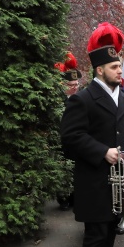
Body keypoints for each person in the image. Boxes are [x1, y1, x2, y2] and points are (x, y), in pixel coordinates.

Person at [60, 22, 124, 247]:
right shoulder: (82, 99)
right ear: (99, 70)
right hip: (95, 181)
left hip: (120, 180)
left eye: (120, 66)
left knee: (110, 233)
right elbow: (70, 138)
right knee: (95, 237)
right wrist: (101, 151)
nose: (121, 71)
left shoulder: (123, 97)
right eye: (115, 67)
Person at [55, 51, 83, 211]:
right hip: (63, 141)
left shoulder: (80, 99)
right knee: (63, 168)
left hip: (76, 140)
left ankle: (74, 197)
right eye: (71, 86)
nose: (74, 88)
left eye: (76, 85)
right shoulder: (59, 100)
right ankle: (63, 198)